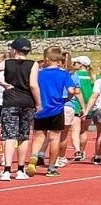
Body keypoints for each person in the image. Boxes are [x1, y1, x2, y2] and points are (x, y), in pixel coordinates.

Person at [0, 37, 36, 181]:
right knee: (23, 135)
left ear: (14, 50)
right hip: (27, 102)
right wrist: (38, 103)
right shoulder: (33, 64)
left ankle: (6, 170)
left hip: (11, 101)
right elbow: (33, 85)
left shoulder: (7, 63)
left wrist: (4, 84)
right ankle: (20, 170)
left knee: (9, 135)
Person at [28, 46, 78, 176]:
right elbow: (72, 90)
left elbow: (32, 87)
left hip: (40, 109)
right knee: (55, 138)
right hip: (56, 109)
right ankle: (51, 168)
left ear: (46, 59)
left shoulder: (39, 74)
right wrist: (67, 99)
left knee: (38, 136)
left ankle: (34, 157)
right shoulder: (64, 74)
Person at [66, 54, 91, 162]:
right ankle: (82, 150)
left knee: (75, 130)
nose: (73, 64)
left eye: (75, 63)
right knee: (84, 131)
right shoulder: (92, 76)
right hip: (89, 106)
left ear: (80, 64)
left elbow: (75, 91)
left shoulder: (74, 75)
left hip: (76, 105)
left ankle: (77, 150)